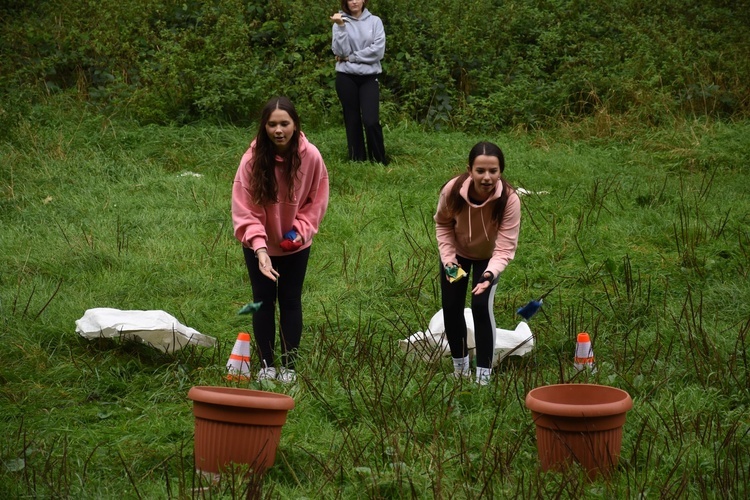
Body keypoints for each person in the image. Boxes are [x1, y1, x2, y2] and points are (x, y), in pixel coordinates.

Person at [232, 97, 330, 384]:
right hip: (258, 245)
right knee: (262, 302)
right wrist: (260, 249)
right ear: (264, 127)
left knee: (289, 300)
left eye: (284, 124)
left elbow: (317, 200)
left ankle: (288, 366)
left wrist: (299, 231)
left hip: (295, 244)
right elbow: (244, 209)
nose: (278, 130)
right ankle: (266, 364)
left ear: (295, 125)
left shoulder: (310, 155)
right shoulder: (251, 160)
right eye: (272, 124)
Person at [434, 142, 521, 386]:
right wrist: (450, 261)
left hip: (488, 258)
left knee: (481, 306)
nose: (487, 177)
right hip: (457, 256)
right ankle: (460, 368)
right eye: (480, 170)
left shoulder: (509, 200)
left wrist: (489, 275)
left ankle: (483, 375)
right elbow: (442, 224)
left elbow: (505, 247)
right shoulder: (452, 191)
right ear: (470, 170)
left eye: (493, 171)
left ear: (500, 171)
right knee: (452, 306)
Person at [330, 0, 387, 164]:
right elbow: (339, 51)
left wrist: (350, 57)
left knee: (371, 120)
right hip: (346, 77)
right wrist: (341, 26)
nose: (354, 1)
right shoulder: (339, 20)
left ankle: (378, 160)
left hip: (369, 77)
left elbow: (378, 52)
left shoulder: (375, 21)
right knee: (352, 119)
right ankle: (357, 159)